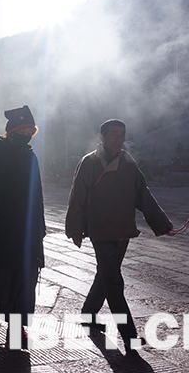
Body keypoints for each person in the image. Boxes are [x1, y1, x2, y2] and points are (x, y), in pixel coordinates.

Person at [65, 119, 173, 354]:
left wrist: (161, 223)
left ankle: (88, 313)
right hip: (100, 229)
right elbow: (77, 196)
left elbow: (142, 194)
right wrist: (75, 228)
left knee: (105, 275)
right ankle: (129, 335)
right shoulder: (89, 162)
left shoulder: (128, 162)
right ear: (102, 137)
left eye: (121, 134)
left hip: (123, 229)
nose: (118, 138)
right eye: (113, 134)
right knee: (114, 281)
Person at [0, 105, 46, 349]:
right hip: (3, 227)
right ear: (11, 131)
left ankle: (17, 327)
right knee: (1, 275)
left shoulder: (31, 157)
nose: (26, 134)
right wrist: (6, 217)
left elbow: (38, 194)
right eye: (22, 129)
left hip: (28, 229)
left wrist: (40, 225)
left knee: (26, 278)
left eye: (29, 131)